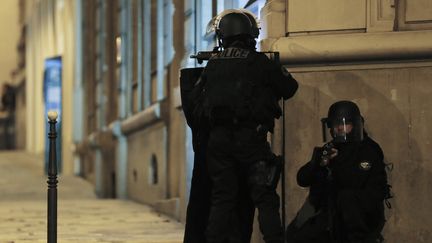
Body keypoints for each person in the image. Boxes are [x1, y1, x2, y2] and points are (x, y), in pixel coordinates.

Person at [188, 9, 298, 243]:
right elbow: (290, 88)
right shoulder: (259, 62)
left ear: (223, 36)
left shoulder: (213, 64)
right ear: (251, 35)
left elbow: (195, 101)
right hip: (251, 142)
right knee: (264, 197)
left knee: (222, 200)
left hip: (218, 144)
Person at [286, 100, 390, 243]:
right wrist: (317, 164)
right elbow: (302, 179)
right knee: (296, 236)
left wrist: (337, 162)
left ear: (355, 125)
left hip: (362, 217)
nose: (339, 128)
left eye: (344, 124)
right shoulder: (331, 148)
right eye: (336, 124)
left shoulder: (368, 150)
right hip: (332, 214)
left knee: (347, 197)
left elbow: (353, 182)